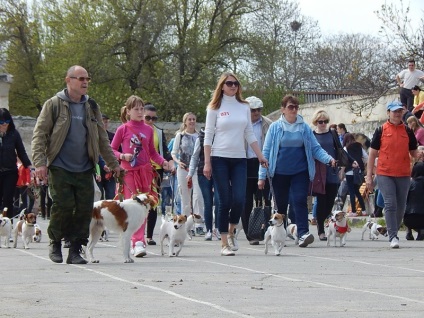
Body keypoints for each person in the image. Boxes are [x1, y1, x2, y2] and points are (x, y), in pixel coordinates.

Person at [32, 65, 123, 264]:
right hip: (60, 166)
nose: (85, 82)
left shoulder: (91, 106)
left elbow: (101, 138)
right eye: (80, 78)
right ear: (68, 80)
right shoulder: (54, 104)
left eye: (87, 79)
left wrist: (113, 164)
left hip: (85, 167)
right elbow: (40, 134)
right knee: (63, 206)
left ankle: (76, 249)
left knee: (83, 210)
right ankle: (55, 242)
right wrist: (40, 163)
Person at [258, 96, 336, 247]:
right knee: (280, 205)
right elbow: (266, 152)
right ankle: (279, 235)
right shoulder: (275, 127)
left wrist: (329, 159)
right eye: (290, 107)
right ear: (283, 109)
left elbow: (315, 148)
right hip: (279, 172)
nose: (293, 110)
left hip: (300, 172)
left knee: (300, 200)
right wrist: (262, 176)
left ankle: (302, 234)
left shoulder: (304, 127)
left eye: (295, 107)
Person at [203, 72, 268, 256]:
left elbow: (249, 132)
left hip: (240, 158)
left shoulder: (244, 106)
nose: (233, 86)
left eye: (236, 83)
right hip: (219, 157)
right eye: (229, 83)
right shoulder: (214, 107)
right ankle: (224, 242)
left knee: (240, 199)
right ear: (222, 86)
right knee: (225, 200)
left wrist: (260, 155)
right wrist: (207, 162)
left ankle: (231, 231)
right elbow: (208, 136)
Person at [111, 95, 169, 257]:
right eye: (136, 109)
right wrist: (123, 156)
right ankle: (135, 240)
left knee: (144, 206)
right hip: (129, 173)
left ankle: (138, 241)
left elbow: (152, 153)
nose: (139, 112)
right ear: (128, 111)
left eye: (141, 108)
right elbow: (112, 150)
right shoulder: (123, 129)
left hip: (145, 172)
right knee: (133, 206)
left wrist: (164, 162)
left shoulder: (148, 129)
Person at [366, 101, 418, 249]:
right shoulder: (381, 130)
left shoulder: (408, 131)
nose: (397, 114)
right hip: (384, 172)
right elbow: (372, 154)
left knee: (401, 206)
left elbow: (413, 151)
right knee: (390, 203)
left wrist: (419, 153)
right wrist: (369, 176)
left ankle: (392, 230)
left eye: (399, 111)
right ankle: (393, 235)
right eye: (394, 111)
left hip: (403, 173)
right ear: (388, 112)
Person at [312, 110, 351, 241]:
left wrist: (343, 168)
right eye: (320, 121)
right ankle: (321, 229)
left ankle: (324, 220)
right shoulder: (312, 135)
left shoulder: (332, 134)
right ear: (315, 122)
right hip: (319, 173)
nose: (323, 124)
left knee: (330, 201)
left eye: (325, 121)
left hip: (332, 171)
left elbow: (340, 150)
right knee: (321, 201)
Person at [242, 96, 272, 245]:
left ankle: (266, 231)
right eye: (253, 110)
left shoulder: (268, 124)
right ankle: (251, 233)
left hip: (262, 163)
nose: (256, 113)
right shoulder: (240, 123)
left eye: (258, 110)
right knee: (246, 201)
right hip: (244, 163)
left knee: (264, 200)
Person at [143, 103, 174, 245]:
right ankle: (136, 236)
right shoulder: (136, 130)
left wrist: (170, 162)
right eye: (147, 118)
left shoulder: (158, 132)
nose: (150, 121)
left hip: (156, 170)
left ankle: (149, 235)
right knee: (139, 202)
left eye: (154, 118)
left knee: (153, 201)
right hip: (139, 169)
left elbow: (165, 151)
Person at [171, 112, 205, 236]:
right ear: (185, 122)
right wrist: (177, 162)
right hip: (183, 168)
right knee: (185, 197)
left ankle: (199, 223)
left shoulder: (199, 136)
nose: (191, 121)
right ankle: (185, 224)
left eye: (193, 119)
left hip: (196, 168)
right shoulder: (180, 136)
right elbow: (174, 153)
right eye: (189, 119)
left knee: (198, 196)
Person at [187, 128, 220, 241]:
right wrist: (190, 174)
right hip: (203, 172)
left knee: (219, 201)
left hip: (220, 172)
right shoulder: (200, 138)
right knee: (208, 202)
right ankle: (209, 230)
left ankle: (218, 229)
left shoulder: (222, 135)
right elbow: (195, 156)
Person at [0, 108, 33, 221]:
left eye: (7, 121)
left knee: (8, 199)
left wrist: (29, 168)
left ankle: (8, 224)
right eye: (1, 122)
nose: (4, 124)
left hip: (10, 171)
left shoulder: (14, 134)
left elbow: (21, 152)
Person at [342, 133, 368, 217]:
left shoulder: (345, 148)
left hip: (349, 171)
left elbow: (344, 160)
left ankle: (353, 211)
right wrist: (362, 163)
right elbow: (366, 157)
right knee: (357, 191)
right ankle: (363, 210)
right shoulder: (359, 147)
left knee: (351, 191)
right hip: (358, 171)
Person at [96, 113, 116, 200]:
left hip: (110, 171)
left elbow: (116, 151)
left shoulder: (113, 136)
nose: (104, 124)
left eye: (106, 122)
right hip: (98, 170)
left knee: (111, 196)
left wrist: (114, 165)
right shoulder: (93, 137)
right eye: (102, 122)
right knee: (98, 196)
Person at [404, 162, 424, 241]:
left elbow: (405, 199)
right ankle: (421, 231)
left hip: (408, 218)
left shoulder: (409, 183)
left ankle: (408, 231)